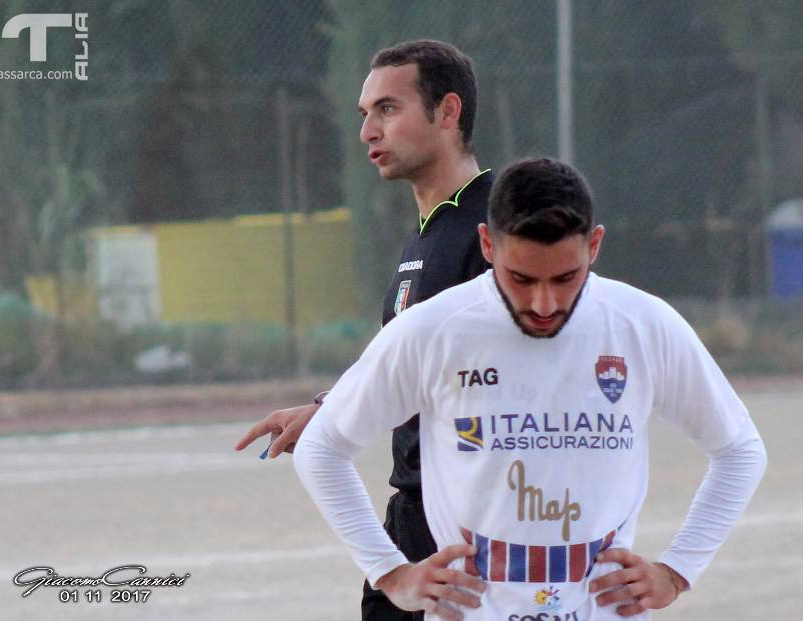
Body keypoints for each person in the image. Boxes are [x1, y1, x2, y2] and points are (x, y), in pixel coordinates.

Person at [295, 158, 768, 620]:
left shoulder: (643, 325)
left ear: (595, 246)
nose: (544, 303)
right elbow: (323, 447)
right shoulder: (434, 330)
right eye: (521, 278)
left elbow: (740, 449)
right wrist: (392, 574)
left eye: (565, 278)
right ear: (487, 244)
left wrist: (677, 570)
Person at [234, 40, 493, 620]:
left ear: (447, 112)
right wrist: (332, 406)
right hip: (413, 514)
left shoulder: (497, 226)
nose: (367, 131)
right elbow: (410, 363)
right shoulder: (429, 231)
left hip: (469, 524)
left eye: (388, 109)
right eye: (364, 114)